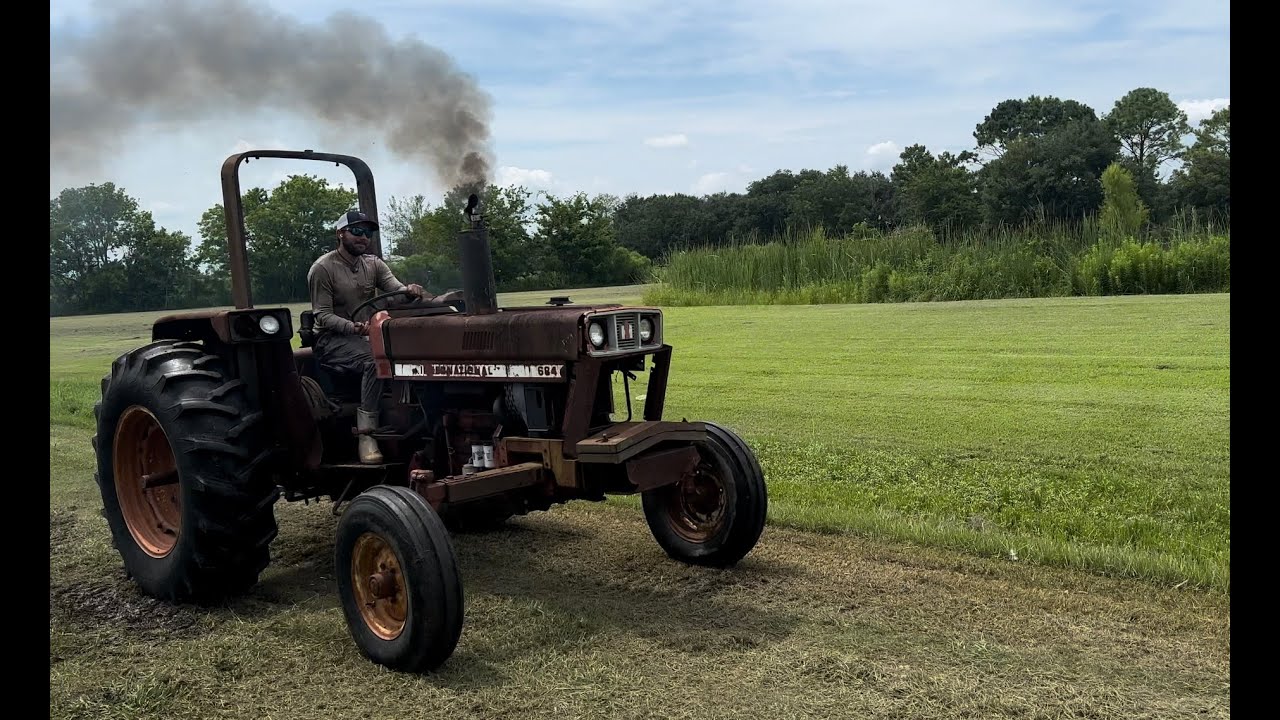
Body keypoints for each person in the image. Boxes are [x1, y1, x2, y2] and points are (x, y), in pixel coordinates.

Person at [307, 209, 459, 464]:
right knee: (372, 361)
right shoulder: (323, 268)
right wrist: (353, 327)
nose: (363, 237)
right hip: (332, 340)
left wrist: (410, 291)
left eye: (367, 233)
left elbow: (395, 291)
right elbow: (321, 315)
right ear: (340, 233)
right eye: (356, 231)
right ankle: (367, 435)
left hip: (369, 334)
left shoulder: (373, 264)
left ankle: (427, 422)